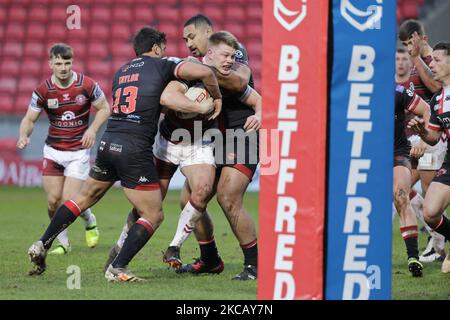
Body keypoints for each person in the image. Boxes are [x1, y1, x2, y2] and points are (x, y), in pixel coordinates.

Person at [26, 26, 222, 281]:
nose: (164, 51)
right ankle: (118, 267)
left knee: (83, 198)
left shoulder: (121, 72)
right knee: (153, 214)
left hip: (108, 143)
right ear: (155, 48)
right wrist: (215, 97)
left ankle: (42, 243)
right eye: (162, 47)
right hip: (134, 147)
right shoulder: (163, 64)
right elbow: (205, 71)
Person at [107, 15, 260, 280]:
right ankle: (210, 258)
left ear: (209, 34)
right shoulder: (193, 67)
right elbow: (169, 93)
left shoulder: (229, 52)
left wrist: (202, 72)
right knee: (188, 200)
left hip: (240, 133)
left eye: (191, 36)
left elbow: (239, 81)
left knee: (228, 197)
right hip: (211, 137)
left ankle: (253, 265)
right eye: (185, 39)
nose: (188, 43)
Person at [17, 43, 109, 254]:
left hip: (78, 152)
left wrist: (93, 130)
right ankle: (63, 242)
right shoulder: (43, 90)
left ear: (72, 63)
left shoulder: (86, 85)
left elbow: (105, 108)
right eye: (58, 63)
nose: (63, 67)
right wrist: (23, 135)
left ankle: (89, 219)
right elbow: (29, 119)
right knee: (52, 202)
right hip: (53, 151)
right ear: (50, 64)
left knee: (68, 201)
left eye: (67, 63)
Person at [398, 20, 447, 262]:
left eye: (411, 42)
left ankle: (437, 245)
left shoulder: (432, 64)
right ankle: (435, 238)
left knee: (428, 195)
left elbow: (437, 88)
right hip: (421, 136)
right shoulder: (418, 65)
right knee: (401, 191)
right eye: (405, 45)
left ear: (421, 38)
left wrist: (417, 57)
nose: (408, 48)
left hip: (433, 139)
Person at [408, 42, 450, 273]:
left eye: (437, 60)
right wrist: (422, 134)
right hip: (449, 160)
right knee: (430, 213)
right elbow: (434, 136)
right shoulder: (438, 99)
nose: (431, 64)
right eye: (431, 59)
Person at [394, 84, 433, 277]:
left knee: (401, 196)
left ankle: (412, 257)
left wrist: (424, 141)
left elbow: (426, 110)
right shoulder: (354, 91)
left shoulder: (396, 91)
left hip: (396, 153)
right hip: (364, 154)